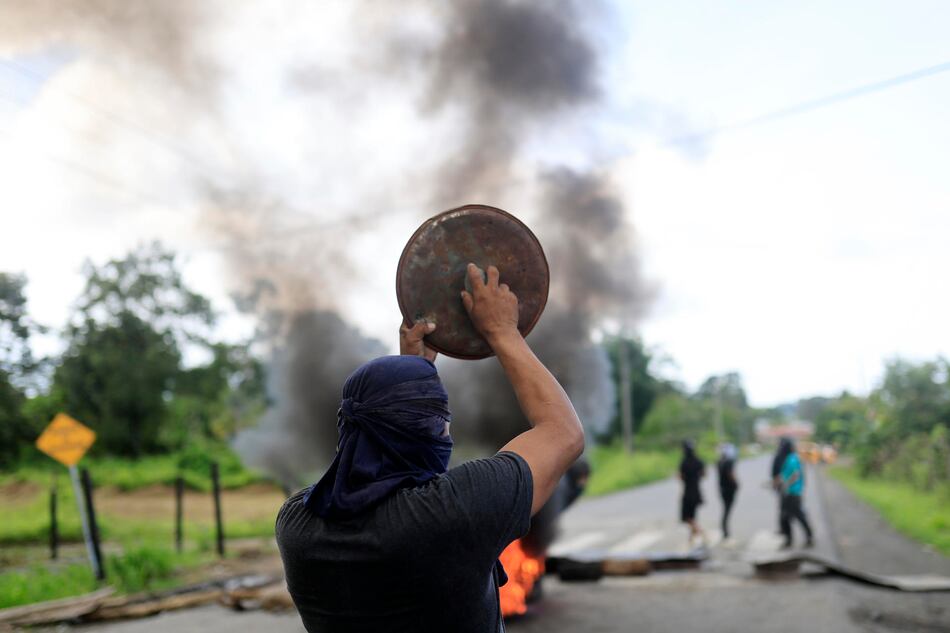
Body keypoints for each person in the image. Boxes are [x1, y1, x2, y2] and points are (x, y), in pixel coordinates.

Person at [275, 263, 584, 633]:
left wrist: (409, 377)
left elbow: (380, 459)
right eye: (442, 419)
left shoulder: (296, 525)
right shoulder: (455, 513)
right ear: (432, 430)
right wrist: (502, 332)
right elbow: (563, 431)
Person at [776, 437, 814, 549]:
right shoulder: (791, 458)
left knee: (795, 516)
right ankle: (791, 540)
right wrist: (775, 482)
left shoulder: (792, 459)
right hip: (791, 492)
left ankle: (806, 537)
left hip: (792, 493)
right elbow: (785, 474)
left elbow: (795, 474)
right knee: (787, 516)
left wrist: (786, 484)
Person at [679, 439, 706, 547]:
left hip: (687, 492)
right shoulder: (698, 461)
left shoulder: (684, 462)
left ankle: (701, 532)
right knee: (693, 516)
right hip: (697, 491)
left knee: (686, 517)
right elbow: (704, 474)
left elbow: (681, 477)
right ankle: (690, 540)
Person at [716, 443, 739, 539]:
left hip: (722, 489)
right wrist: (736, 483)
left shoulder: (719, 462)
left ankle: (724, 529)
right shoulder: (728, 462)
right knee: (727, 510)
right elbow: (731, 475)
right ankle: (725, 530)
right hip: (729, 489)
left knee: (725, 509)